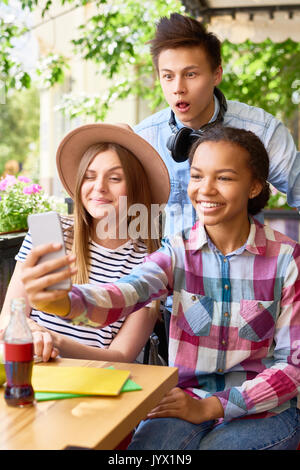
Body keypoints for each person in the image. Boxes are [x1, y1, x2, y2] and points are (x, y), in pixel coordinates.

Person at [21, 126, 300, 450]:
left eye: (223, 178)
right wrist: (62, 302)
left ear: (253, 186)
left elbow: (293, 367)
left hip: (265, 410)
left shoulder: (287, 259)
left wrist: (212, 406)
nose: (205, 190)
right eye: (197, 176)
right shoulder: (175, 252)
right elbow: (122, 295)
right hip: (183, 401)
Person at [133, 12, 300, 335]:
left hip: (247, 301)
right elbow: (123, 219)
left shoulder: (262, 130)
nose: (178, 88)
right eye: (167, 77)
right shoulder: (142, 139)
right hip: (165, 304)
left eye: (191, 74)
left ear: (217, 74)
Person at [0, 123, 170, 363]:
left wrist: (54, 341)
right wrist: (32, 332)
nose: (99, 187)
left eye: (114, 178)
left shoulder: (151, 261)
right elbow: (8, 316)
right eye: (89, 176)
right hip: (34, 374)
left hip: (99, 384)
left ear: (136, 188)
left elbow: (121, 357)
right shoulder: (49, 232)